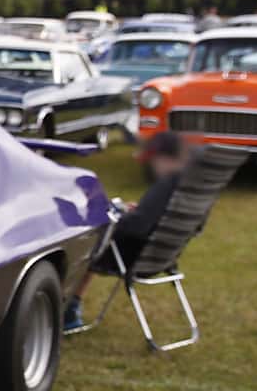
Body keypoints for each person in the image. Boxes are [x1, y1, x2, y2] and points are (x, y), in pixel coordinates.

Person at [64, 131, 190, 333]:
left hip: (137, 256)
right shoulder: (188, 187)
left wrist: (113, 216)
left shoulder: (166, 184)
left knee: (89, 242)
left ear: (163, 157)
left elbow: (135, 227)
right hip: (166, 255)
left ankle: (68, 309)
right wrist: (140, 210)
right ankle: (70, 308)